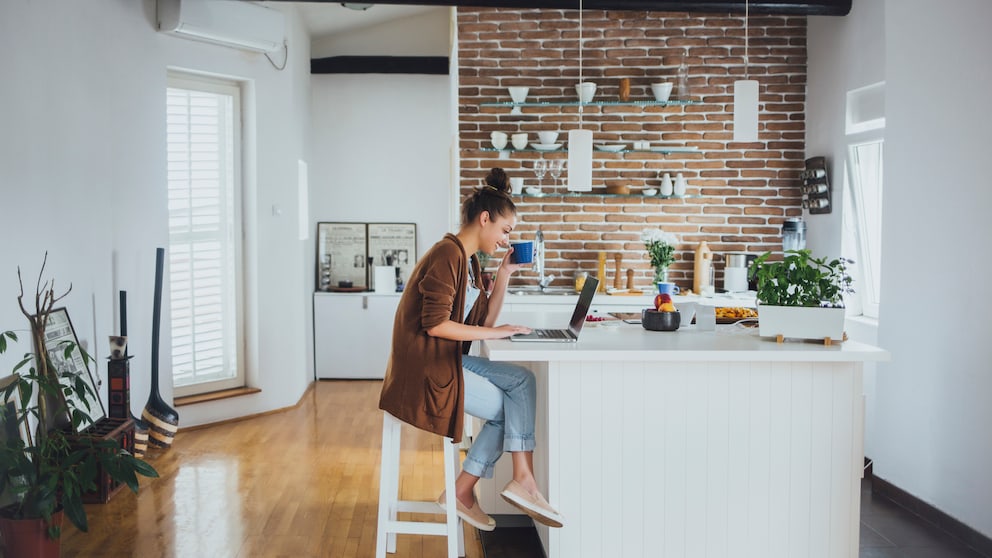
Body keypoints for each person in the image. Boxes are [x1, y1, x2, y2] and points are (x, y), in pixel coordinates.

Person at [378, 167, 564, 531]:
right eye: (505, 230)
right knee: (512, 407)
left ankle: (516, 481)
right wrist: (498, 334)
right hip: (426, 371)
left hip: (447, 361)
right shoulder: (447, 254)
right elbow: (435, 324)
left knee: (522, 382)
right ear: (484, 219)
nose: (506, 239)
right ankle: (472, 489)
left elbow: (486, 323)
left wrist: (506, 273)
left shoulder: (470, 262)